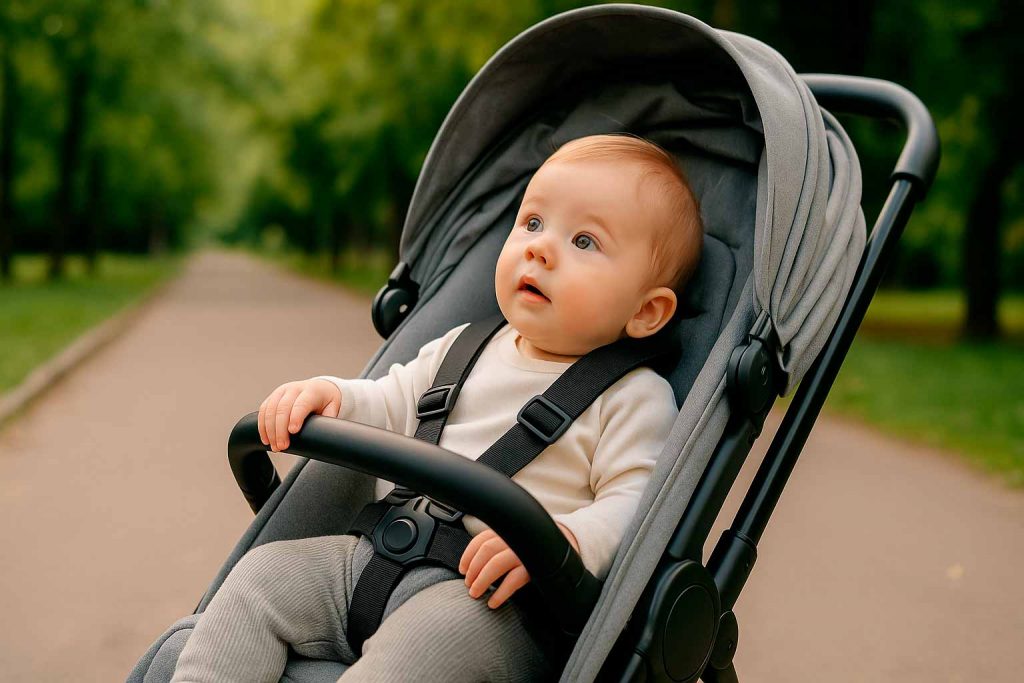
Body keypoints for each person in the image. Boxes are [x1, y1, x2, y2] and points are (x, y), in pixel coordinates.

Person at [171, 134, 704, 683]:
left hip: (489, 606)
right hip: (372, 558)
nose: (540, 249)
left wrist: (564, 543)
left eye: (586, 241)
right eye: (533, 223)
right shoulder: (462, 348)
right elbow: (388, 403)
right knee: (258, 577)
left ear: (646, 312)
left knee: (415, 657)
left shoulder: (632, 397)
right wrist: (333, 395)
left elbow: (636, 506)